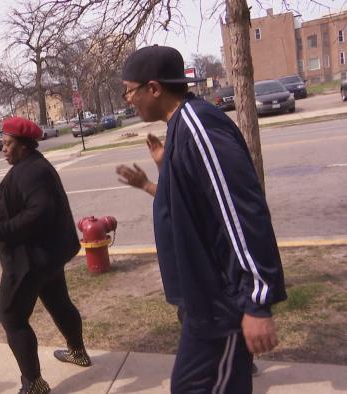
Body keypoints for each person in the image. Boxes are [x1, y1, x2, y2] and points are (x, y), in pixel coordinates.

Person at [118, 45, 287, 394]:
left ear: (154, 88)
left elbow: (240, 212)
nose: (128, 100)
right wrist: (164, 169)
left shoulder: (198, 126)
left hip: (219, 303)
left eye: (130, 91)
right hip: (202, 302)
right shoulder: (181, 127)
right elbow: (188, 207)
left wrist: (257, 302)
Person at [0, 117, 90, 394]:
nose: (3, 149)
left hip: (30, 259)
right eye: (2, 144)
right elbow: (17, 202)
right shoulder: (29, 165)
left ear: (24, 146)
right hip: (46, 256)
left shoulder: (32, 171)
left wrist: (1, 230)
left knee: (11, 317)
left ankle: (34, 383)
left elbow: (39, 212)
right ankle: (77, 352)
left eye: (8, 144)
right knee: (59, 303)